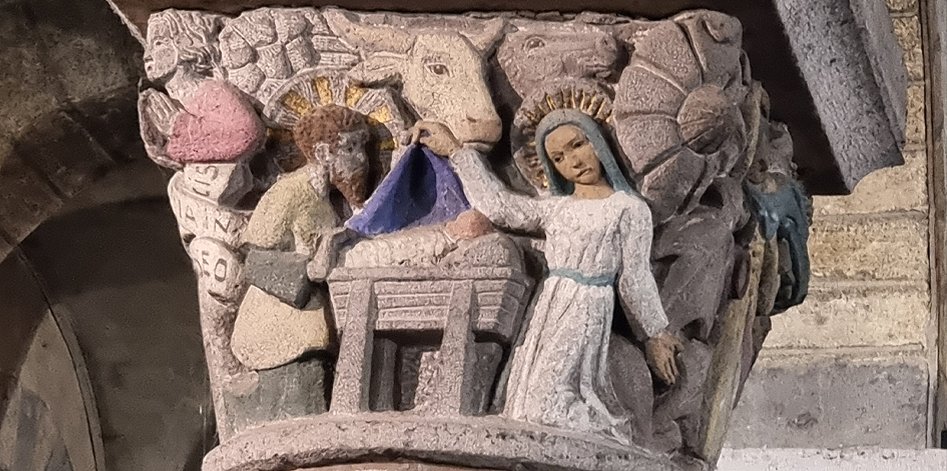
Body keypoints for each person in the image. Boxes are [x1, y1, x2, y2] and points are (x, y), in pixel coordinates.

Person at [412, 110, 682, 444]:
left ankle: (599, 439)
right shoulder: (556, 208)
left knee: (548, 400)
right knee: (524, 400)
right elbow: (500, 206)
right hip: (548, 304)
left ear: (597, 144)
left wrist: (655, 333)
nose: (574, 161)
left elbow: (634, 276)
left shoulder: (627, 208)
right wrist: (456, 152)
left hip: (587, 305)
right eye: (559, 157)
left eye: (578, 145)